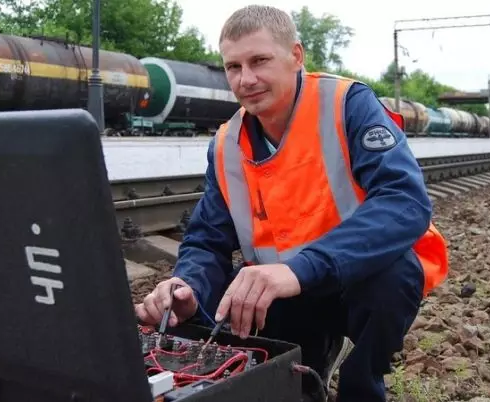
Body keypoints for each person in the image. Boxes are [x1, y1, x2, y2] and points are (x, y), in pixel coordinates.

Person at [134, 5, 449, 401]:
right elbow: (207, 240)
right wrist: (188, 287)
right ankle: (306, 369)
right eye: (233, 67)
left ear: (296, 56)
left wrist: (299, 269)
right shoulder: (227, 145)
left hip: (353, 276)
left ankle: (361, 383)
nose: (246, 79)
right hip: (285, 292)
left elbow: (404, 201)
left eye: (259, 61)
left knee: (394, 274)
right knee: (270, 354)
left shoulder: (346, 104)